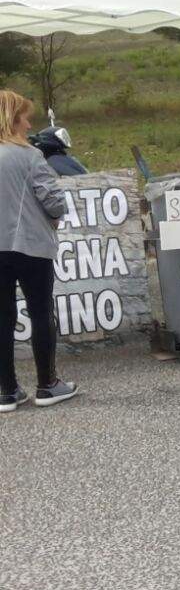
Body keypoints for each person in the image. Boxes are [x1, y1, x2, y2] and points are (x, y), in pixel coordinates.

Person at [1, 90, 77, 412]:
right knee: (41, 312)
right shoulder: (31, 156)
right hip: (30, 245)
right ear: (13, 118)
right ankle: (47, 384)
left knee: (2, 317)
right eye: (25, 116)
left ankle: (7, 391)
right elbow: (54, 201)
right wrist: (55, 216)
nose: (29, 122)